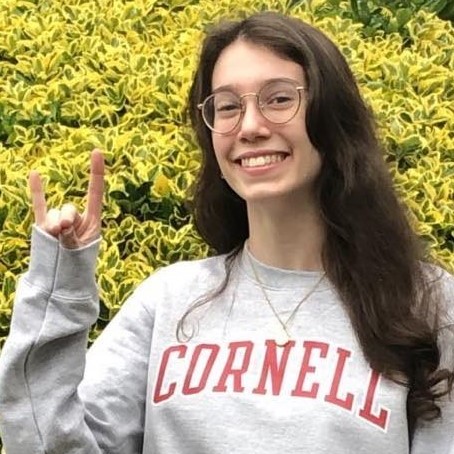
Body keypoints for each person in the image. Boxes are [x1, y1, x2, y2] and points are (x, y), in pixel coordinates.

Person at [0, 10, 453, 454]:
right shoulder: (170, 300)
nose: (250, 127)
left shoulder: (428, 303)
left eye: (279, 99)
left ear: (333, 116)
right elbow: (43, 446)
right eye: (228, 107)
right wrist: (58, 288)